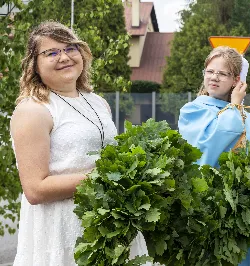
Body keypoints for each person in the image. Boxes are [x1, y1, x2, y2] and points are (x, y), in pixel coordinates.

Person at [10, 21, 149, 266]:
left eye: (70, 48)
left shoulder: (97, 102)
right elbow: (35, 189)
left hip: (112, 226)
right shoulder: (33, 110)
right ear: (35, 65)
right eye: (51, 52)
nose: (63, 56)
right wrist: (108, 178)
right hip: (64, 231)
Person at [178, 46, 250, 266]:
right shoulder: (192, 110)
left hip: (245, 212)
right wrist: (234, 106)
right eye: (210, 71)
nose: (214, 77)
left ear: (236, 80)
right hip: (210, 209)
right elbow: (207, 148)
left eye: (222, 73)